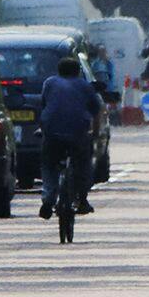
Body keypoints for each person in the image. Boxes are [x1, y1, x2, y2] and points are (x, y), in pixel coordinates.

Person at [34, 54, 106, 235]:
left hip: (52, 133)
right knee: (83, 164)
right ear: (78, 71)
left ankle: (48, 198)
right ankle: (82, 199)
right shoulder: (84, 86)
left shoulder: (49, 83)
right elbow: (96, 112)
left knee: (49, 164)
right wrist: (95, 134)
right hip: (77, 133)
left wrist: (42, 127)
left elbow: (45, 107)